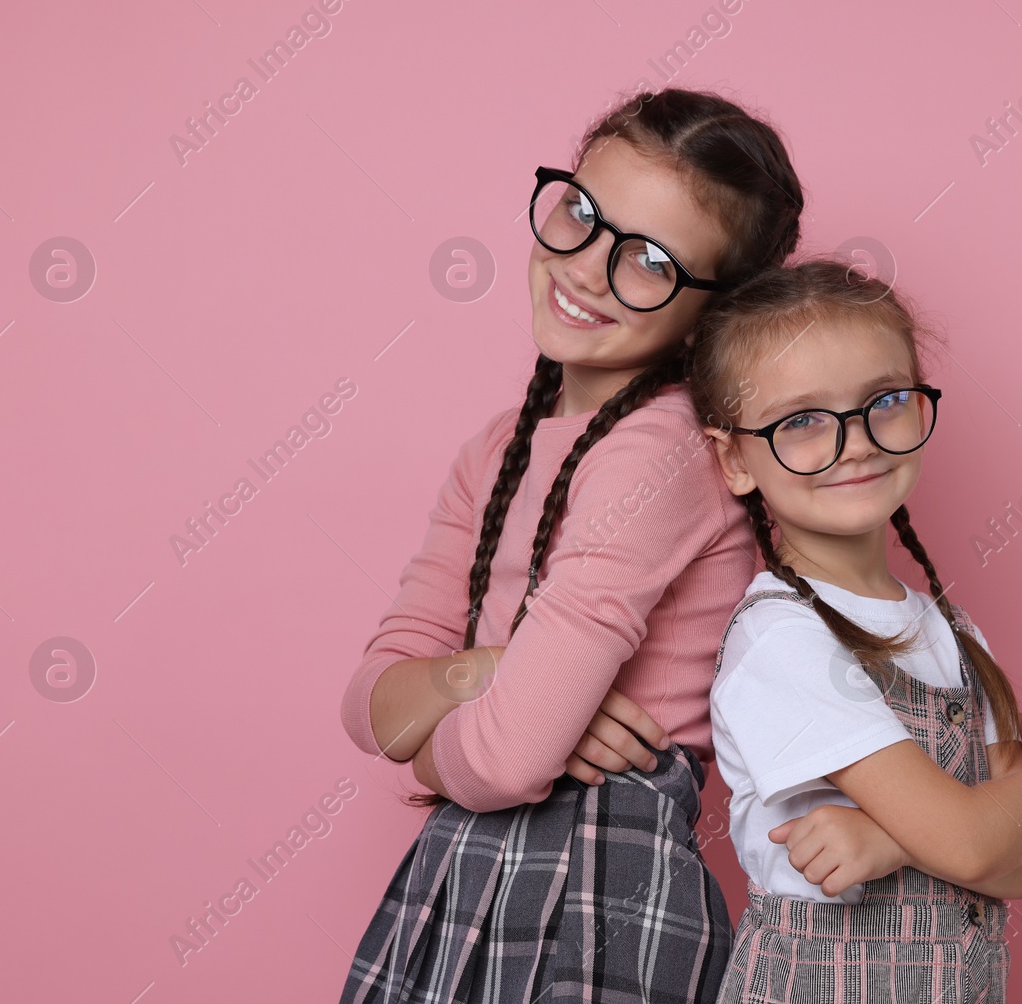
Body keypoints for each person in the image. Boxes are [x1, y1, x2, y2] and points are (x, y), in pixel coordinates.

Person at [336, 87, 805, 1004]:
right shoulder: (498, 447)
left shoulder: (659, 451)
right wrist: (489, 674)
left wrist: (446, 739)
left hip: (594, 887)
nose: (589, 268)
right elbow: (370, 703)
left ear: (712, 310)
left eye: (651, 262)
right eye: (582, 213)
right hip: (467, 869)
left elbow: (506, 760)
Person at [687, 259, 1022, 1003]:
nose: (859, 441)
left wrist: (892, 841)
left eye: (885, 400)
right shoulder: (784, 639)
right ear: (735, 457)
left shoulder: (955, 633)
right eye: (801, 419)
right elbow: (977, 843)